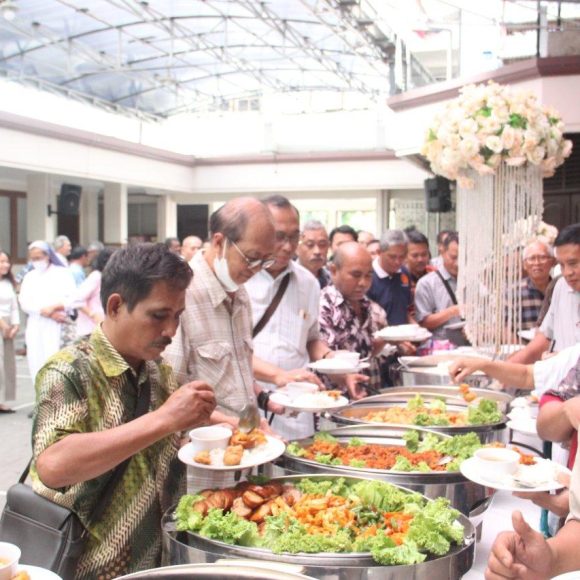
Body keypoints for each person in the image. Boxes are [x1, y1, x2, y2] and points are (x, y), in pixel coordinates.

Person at [31, 243, 216, 579]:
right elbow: (53, 465)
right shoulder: (70, 371)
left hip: (163, 560)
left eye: (177, 316)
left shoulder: (157, 370)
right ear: (116, 305)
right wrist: (164, 419)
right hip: (95, 566)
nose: (171, 331)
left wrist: (227, 424)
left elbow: (175, 426)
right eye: (159, 315)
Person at [164, 197, 282, 428]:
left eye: (265, 261)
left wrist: (261, 401)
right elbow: (169, 395)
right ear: (219, 242)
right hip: (205, 453)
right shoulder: (182, 295)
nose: (256, 270)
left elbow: (237, 370)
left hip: (245, 447)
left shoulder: (240, 292)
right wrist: (232, 424)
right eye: (251, 258)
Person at [247, 195, 330, 439]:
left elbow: (311, 338)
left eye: (294, 236)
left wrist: (331, 358)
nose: (288, 245)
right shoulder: (240, 281)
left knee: (293, 474)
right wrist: (277, 376)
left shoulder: (308, 283)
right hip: (249, 402)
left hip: (297, 403)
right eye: (279, 236)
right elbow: (230, 354)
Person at [319, 242, 386, 399]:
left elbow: (366, 353)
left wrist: (386, 340)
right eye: (356, 275)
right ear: (333, 271)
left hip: (367, 396)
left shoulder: (366, 305)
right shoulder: (324, 307)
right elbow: (323, 360)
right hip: (336, 401)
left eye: (368, 275)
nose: (363, 283)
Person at [508, 223, 580, 364]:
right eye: (562, 265)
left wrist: (562, 360)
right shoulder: (561, 287)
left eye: (573, 263)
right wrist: (505, 369)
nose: (567, 273)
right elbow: (545, 337)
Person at [19, 241, 77, 383]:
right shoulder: (30, 277)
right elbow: (24, 301)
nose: (37, 261)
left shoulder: (62, 273)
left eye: (39, 257)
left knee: (56, 362)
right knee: (36, 362)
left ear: (48, 256)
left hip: (58, 324)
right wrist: (44, 311)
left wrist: (54, 308)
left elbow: (72, 298)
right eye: (33, 258)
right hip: (35, 323)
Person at [414, 232, 468, 345]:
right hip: (440, 348)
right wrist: (453, 311)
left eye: (463, 258)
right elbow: (423, 322)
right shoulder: (427, 283)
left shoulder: (473, 281)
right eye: (453, 257)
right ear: (442, 252)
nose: (458, 263)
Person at [367, 229, 412, 326]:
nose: (398, 262)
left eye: (402, 256)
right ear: (380, 252)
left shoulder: (404, 273)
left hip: (403, 336)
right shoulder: (368, 276)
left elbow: (404, 310)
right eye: (392, 257)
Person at [74, 248, 115, 338]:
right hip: (89, 329)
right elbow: (76, 300)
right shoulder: (96, 276)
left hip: (103, 330)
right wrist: (92, 314)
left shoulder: (110, 279)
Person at [516, 240, 555, 331]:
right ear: (524, 264)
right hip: (522, 343)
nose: (537, 263)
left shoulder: (561, 289)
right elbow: (504, 327)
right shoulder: (512, 292)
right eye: (532, 258)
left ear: (553, 262)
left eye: (542, 257)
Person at [0, 250, 19, 413]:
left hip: (8, 325)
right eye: (1, 262)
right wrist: (3, 325)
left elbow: (14, 306)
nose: (5, 265)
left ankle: (2, 400)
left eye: (6, 261)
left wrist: (15, 324)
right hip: (2, 324)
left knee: (7, 364)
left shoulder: (8, 283)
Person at [404, 228, 436, 319]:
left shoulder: (435, 274)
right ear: (405, 255)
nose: (420, 259)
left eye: (424, 254)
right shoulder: (399, 278)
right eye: (415, 255)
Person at [296, 220, 331, 289]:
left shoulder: (331, 280)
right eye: (310, 245)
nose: (317, 251)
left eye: (322, 245)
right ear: (297, 248)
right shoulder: (287, 278)